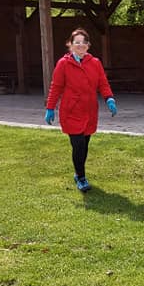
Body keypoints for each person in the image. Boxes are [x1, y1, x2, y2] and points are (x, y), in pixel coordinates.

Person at [44, 28, 117, 192]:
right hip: (71, 111)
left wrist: (109, 98)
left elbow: (103, 83)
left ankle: (78, 172)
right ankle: (81, 177)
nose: (80, 45)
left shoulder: (95, 63)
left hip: (89, 110)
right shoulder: (63, 64)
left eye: (83, 42)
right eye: (76, 42)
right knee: (77, 145)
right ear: (70, 44)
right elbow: (56, 87)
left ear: (88, 45)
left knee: (84, 145)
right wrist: (50, 107)